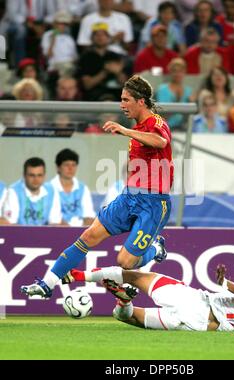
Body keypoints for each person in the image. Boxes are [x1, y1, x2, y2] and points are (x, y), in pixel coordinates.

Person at [21, 75, 174, 299]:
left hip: (153, 203)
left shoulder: (156, 123)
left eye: (125, 99)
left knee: (125, 261)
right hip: (129, 197)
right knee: (88, 236)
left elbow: (160, 142)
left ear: (141, 101)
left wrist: (125, 131)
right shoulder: (139, 128)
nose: (121, 105)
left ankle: (156, 250)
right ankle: (47, 284)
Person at [59, 263, 234, 331]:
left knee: (135, 277)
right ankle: (124, 300)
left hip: (194, 301)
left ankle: (79, 275)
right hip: (197, 327)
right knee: (127, 317)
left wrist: (224, 282)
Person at [2, 158, 62, 226]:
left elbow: (55, 224)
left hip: (45, 235)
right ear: (24, 175)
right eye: (32, 175)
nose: (36, 179)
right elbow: (10, 225)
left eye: (39, 175)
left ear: (44, 176)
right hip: (18, 235)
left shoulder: (52, 191)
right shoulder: (13, 191)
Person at [50, 149, 96, 226]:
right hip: (57, 232)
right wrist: (69, 231)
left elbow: (89, 216)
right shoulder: (49, 188)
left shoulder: (83, 188)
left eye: (73, 165)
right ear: (58, 167)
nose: (70, 168)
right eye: (66, 165)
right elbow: (52, 219)